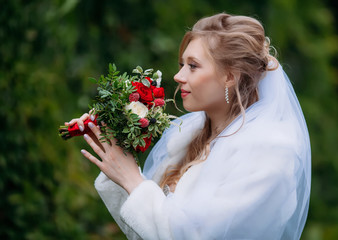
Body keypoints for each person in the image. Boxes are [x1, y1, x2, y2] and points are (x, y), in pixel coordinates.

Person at [66, 13, 311, 240]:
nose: (178, 76)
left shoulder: (269, 153)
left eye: (193, 66)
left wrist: (132, 179)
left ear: (230, 76)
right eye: (182, 64)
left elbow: (193, 235)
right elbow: (144, 231)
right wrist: (115, 156)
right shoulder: (190, 139)